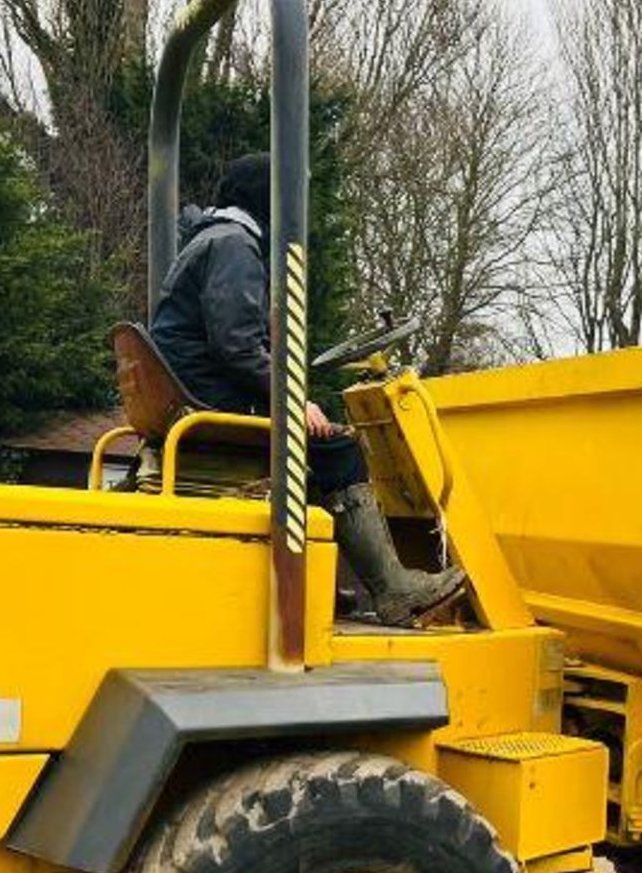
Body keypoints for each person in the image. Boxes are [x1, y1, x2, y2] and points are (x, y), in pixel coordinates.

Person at [150, 153, 464, 625]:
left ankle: (311, 575)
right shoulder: (235, 246)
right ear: (266, 199)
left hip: (193, 395)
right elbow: (236, 346)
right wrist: (293, 399)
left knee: (314, 446)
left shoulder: (209, 240)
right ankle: (393, 588)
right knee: (335, 448)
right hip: (209, 402)